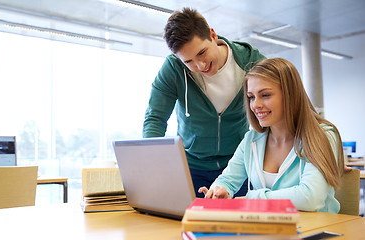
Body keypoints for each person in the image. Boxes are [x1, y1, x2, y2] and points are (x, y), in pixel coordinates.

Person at [143, 8, 265, 198]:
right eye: (189, 61)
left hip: (237, 169)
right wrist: (152, 166)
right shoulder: (173, 69)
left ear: (212, 35)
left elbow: (279, 105)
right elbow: (155, 118)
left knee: (237, 224)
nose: (200, 66)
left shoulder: (251, 62)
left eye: (202, 52)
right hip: (191, 169)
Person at [199, 58, 345, 213]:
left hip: (316, 231)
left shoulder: (323, 135)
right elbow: (226, 180)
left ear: (290, 95)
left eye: (265, 95)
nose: (255, 105)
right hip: (270, 230)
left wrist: (253, 197)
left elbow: (310, 198)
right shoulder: (252, 139)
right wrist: (218, 192)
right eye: (251, 97)